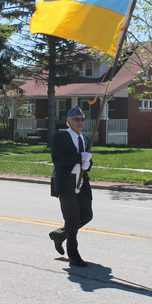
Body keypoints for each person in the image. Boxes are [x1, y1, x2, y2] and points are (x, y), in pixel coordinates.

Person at [48, 106, 93, 267]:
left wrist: (88, 163)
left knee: (87, 215)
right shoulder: (61, 137)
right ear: (68, 122)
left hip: (81, 182)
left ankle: (60, 234)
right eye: (76, 119)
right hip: (66, 182)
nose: (80, 122)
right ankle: (73, 256)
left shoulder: (85, 138)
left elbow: (87, 159)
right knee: (72, 219)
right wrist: (79, 157)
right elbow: (58, 160)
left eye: (82, 119)